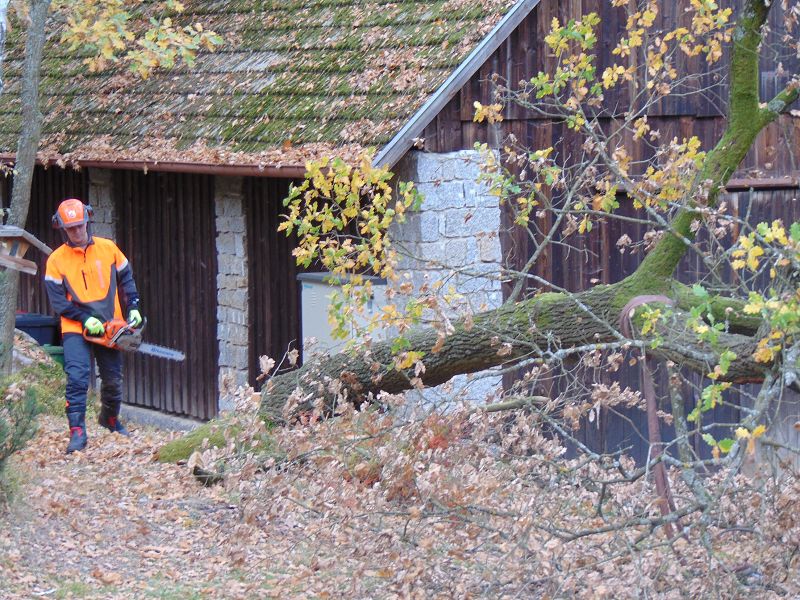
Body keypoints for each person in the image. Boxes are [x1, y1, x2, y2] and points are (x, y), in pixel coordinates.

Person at [44, 198, 143, 454]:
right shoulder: (56, 261)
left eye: (80, 226)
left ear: (87, 221)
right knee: (77, 378)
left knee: (113, 380)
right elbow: (57, 301)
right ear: (63, 228)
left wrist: (133, 307)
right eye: (71, 228)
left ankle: (110, 418)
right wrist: (83, 318)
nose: (77, 231)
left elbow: (127, 278)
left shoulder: (108, 249)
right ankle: (77, 431)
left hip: (110, 323)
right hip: (76, 326)